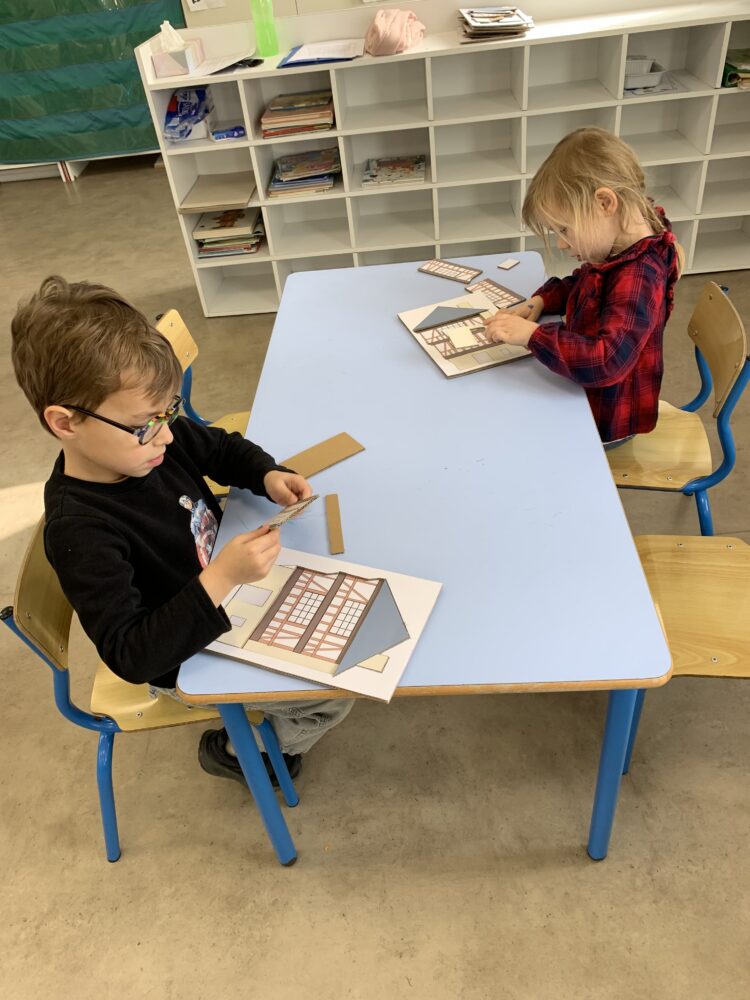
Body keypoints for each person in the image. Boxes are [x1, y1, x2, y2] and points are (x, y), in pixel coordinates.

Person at [11, 276, 353, 787]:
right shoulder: (79, 529)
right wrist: (222, 578)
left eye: (169, 411)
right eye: (147, 423)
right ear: (65, 423)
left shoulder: (149, 439)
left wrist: (266, 474)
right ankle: (242, 751)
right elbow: (132, 654)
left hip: (228, 593)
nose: (168, 435)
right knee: (331, 693)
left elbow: (219, 447)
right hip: (183, 654)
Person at [485, 127, 682, 446]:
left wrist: (533, 336)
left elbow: (607, 361)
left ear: (605, 203)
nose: (561, 244)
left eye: (564, 229)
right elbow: (585, 281)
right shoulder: (622, 239)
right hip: (584, 394)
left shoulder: (638, 276)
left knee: (507, 431)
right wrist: (541, 301)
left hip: (605, 422)